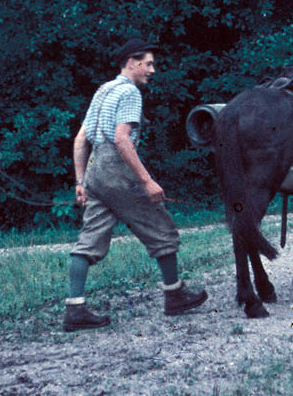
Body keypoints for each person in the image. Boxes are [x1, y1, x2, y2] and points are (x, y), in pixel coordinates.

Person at [62, 37, 208, 332]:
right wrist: (147, 181)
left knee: (89, 241)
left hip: (95, 170)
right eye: (148, 63)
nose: (152, 70)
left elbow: (81, 139)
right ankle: (175, 296)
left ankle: (74, 310)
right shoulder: (129, 92)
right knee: (161, 228)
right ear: (132, 62)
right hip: (117, 168)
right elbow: (121, 139)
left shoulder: (103, 90)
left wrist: (80, 181)